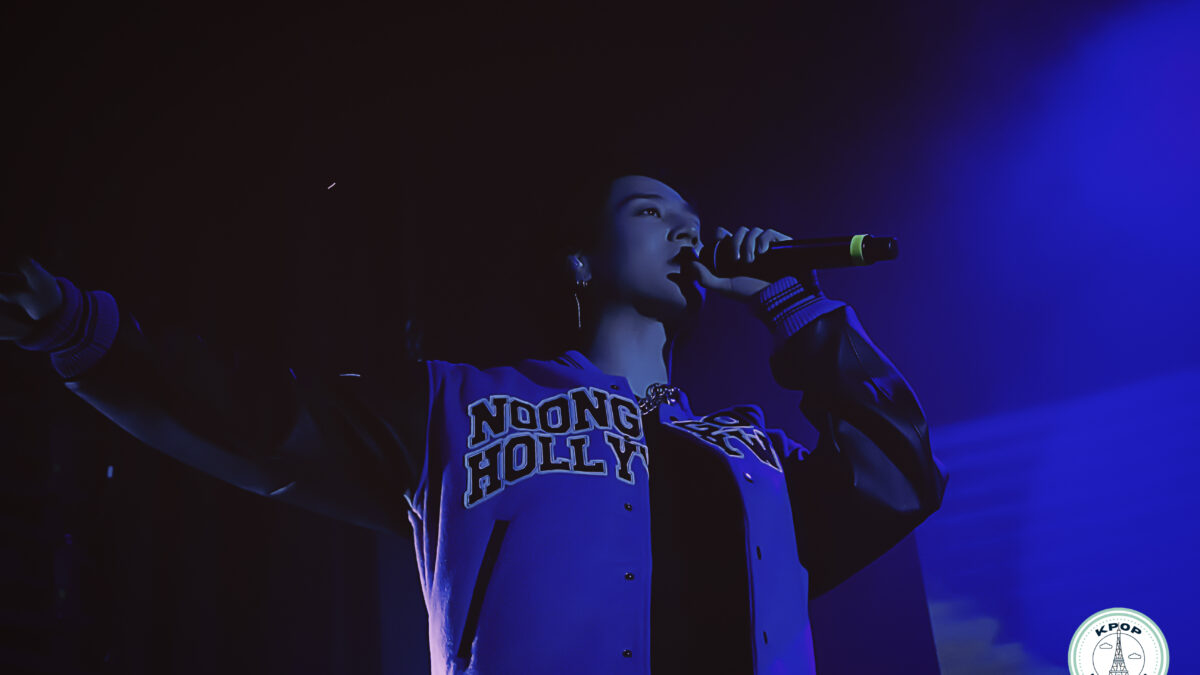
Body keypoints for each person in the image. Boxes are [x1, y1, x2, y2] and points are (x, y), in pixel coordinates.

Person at [1, 173, 949, 674]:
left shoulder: (751, 455)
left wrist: (792, 304)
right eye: (649, 209)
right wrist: (77, 325)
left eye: (691, 214)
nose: (685, 228)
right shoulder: (462, 405)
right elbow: (264, 417)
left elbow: (901, 476)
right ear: (580, 263)